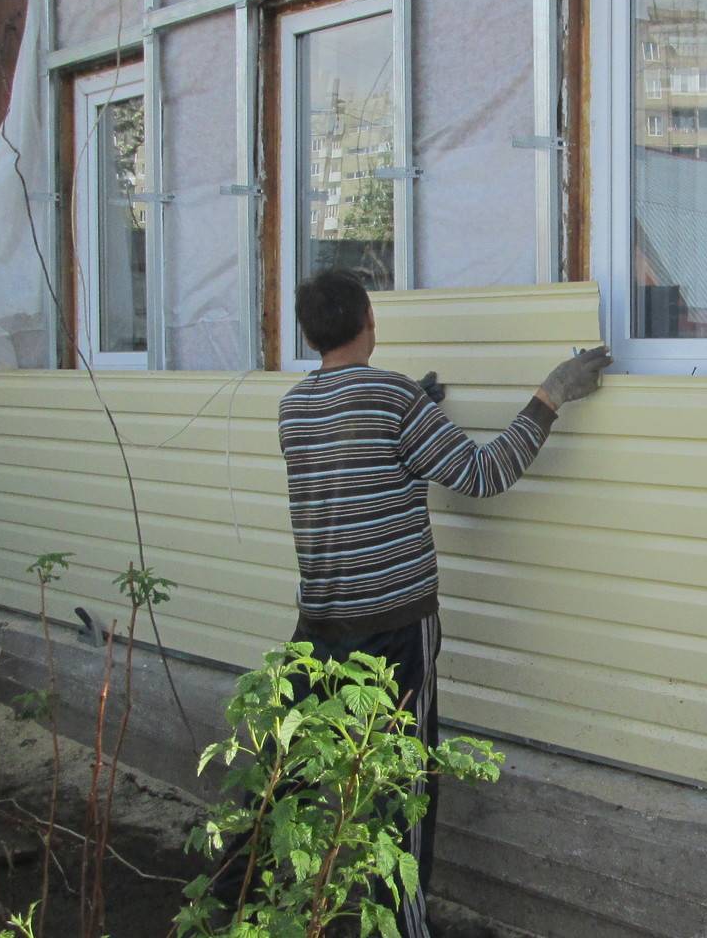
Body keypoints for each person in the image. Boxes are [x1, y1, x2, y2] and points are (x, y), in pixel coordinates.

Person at [276, 268, 609, 936]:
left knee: (318, 787)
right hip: (392, 634)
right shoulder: (394, 400)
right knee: (401, 793)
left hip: (317, 632)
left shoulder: (294, 407)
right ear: (370, 322)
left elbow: (356, 456)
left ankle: (308, 916)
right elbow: (484, 475)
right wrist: (552, 393)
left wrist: (419, 409)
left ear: (311, 333)